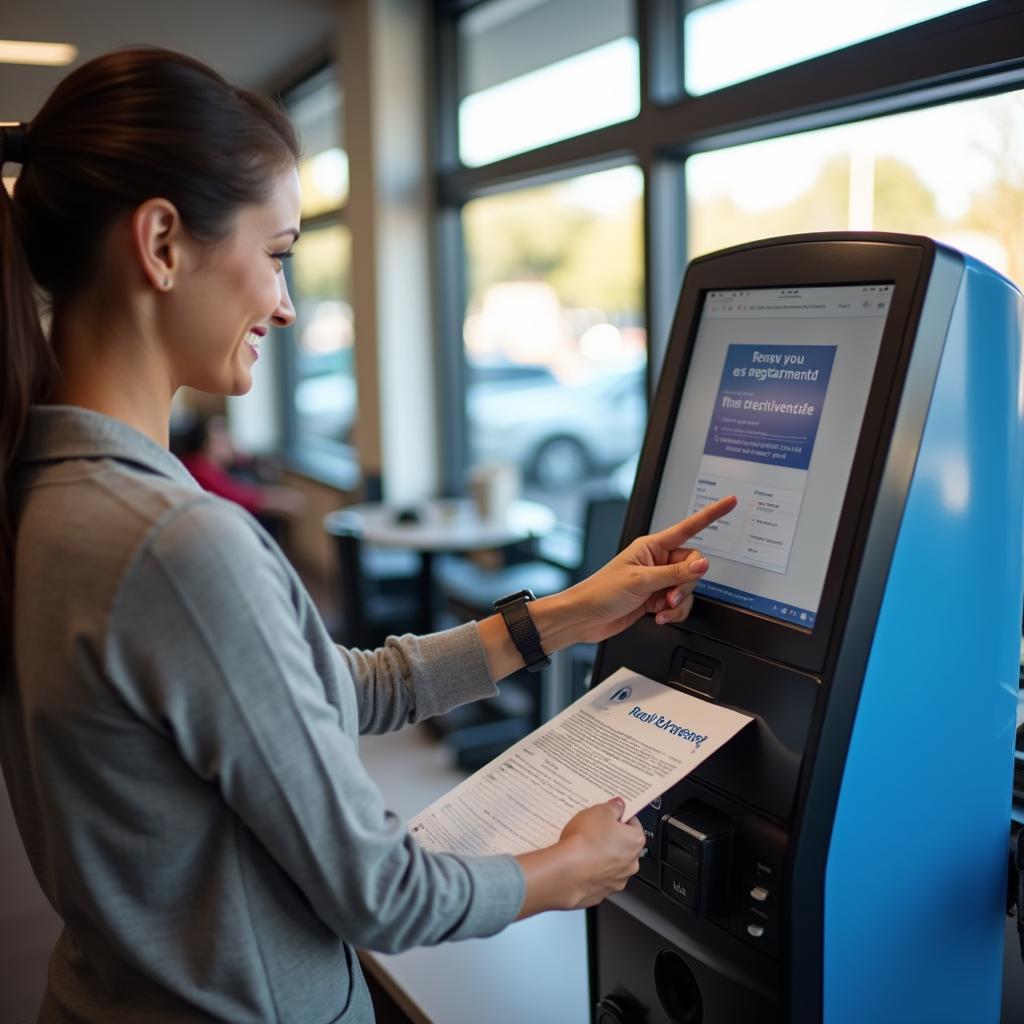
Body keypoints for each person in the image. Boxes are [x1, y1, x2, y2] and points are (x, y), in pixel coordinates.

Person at [0, 48, 736, 1024]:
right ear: (163, 243)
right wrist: (559, 869)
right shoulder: (171, 543)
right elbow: (375, 892)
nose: (286, 302)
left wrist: (561, 616)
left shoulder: (43, 491)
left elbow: (316, 690)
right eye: (277, 253)